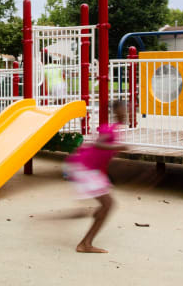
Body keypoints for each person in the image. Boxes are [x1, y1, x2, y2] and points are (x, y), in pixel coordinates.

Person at [63, 100, 129, 253]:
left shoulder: (115, 129)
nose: (126, 113)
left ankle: (91, 216)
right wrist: (119, 147)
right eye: (124, 110)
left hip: (88, 168)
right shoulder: (110, 129)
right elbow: (99, 144)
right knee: (108, 204)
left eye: (128, 110)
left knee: (107, 205)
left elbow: (102, 155)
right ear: (116, 112)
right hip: (84, 168)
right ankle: (85, 244)